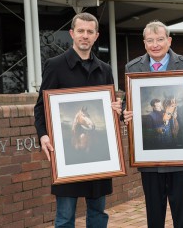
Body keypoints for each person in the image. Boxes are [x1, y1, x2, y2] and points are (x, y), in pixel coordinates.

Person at [34, 12, 122, 228]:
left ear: (96, 35)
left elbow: (110, 110)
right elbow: (40, 106)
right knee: (65, 217)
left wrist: (116, 110)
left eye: (89, 32)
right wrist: (43, 135)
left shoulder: (105, 69)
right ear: (72, 33)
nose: (85, 36)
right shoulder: (55, 66)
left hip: (98, 155)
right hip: (67, 158)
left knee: (98, 214)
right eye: (80, 31)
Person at [123, 20, 183, 228]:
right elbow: (127, 102)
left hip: (179, 156)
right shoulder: (133, 68)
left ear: (169, 40)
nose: (155, 44)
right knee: (154, 213)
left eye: (160, 39)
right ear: (144, 43)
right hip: (148, 158)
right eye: (150, 40)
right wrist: (124, 112)